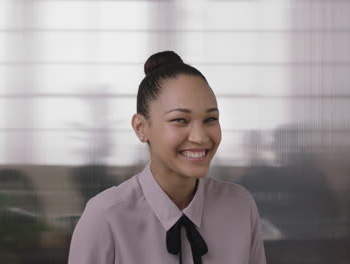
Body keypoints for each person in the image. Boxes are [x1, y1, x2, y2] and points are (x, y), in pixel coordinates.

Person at [68, 51, 266, 264]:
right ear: (141, 127)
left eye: (210, 119)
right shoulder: (106, 216)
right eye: (180, 120)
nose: (200, 137)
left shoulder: (240, 206)